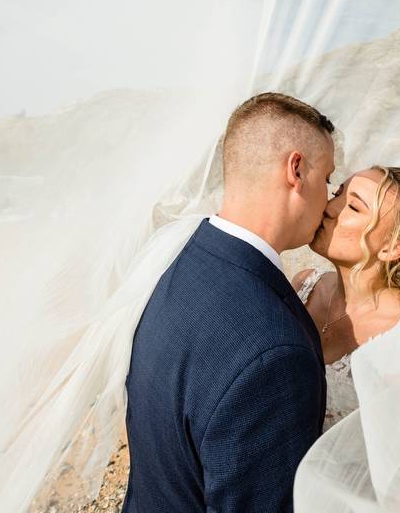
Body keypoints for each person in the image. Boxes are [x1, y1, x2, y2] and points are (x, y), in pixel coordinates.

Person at [122, 92, 336, 512]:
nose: (329, 199)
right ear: (296, 170)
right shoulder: (275, 352)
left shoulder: (181, 257)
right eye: (327, 178)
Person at [293, 165, 400, 512]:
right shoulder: (304, 286)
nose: (330, 207)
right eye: (338, 192)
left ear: (392, 249)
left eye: (353, 207)